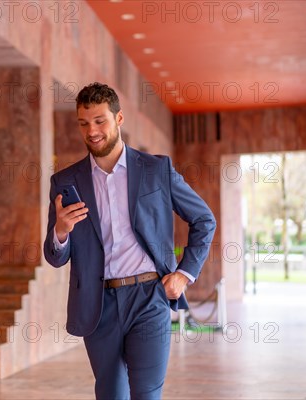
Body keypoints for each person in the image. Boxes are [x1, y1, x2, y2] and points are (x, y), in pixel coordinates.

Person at [43, 82, 216, 400]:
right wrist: (61, 231)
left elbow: (204, 220)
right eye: (84, 123)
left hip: (149, 297)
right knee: (110, 394)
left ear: (119, 119)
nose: (91, 131)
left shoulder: (156, 170)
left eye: (99, 121)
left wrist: (183, 274)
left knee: (147, 393)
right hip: (98, 304)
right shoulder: (65, 182)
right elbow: (55, 256)